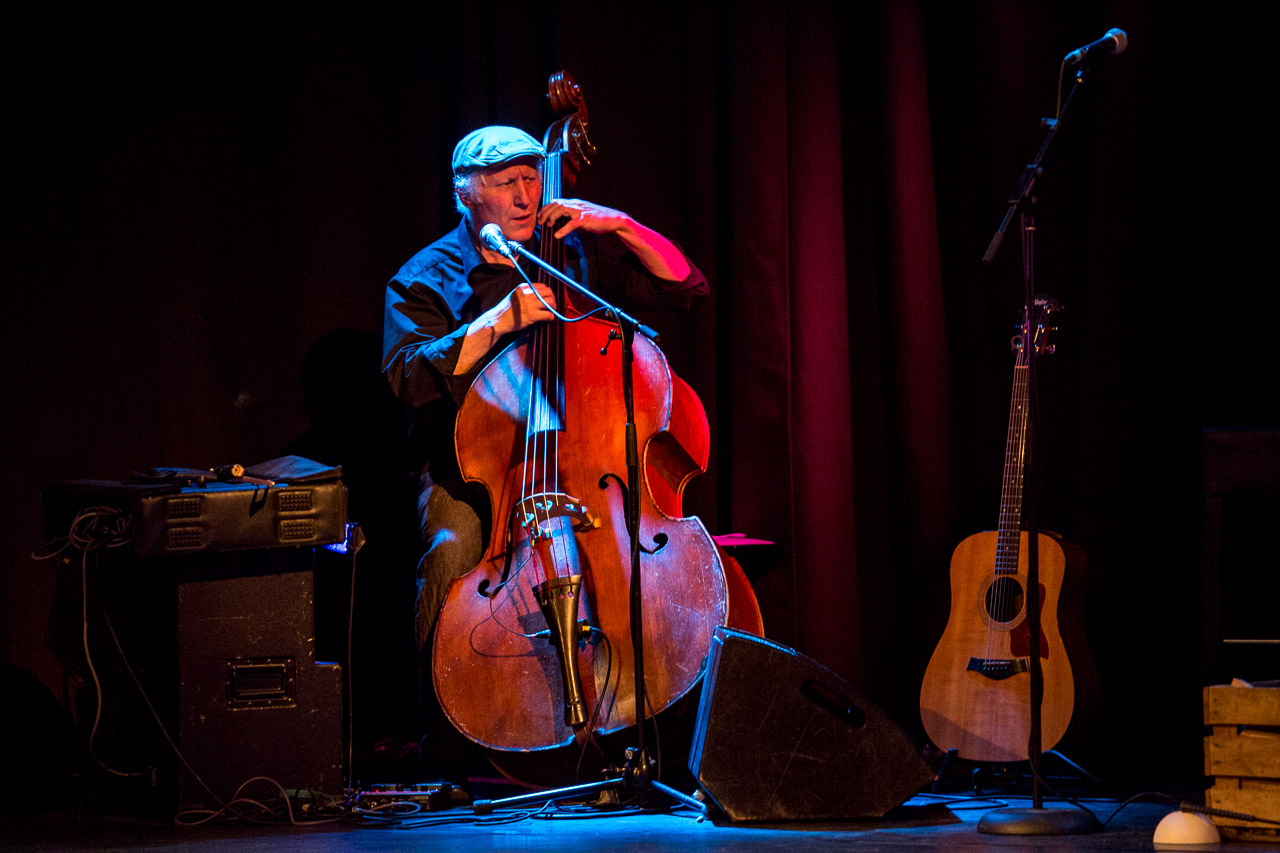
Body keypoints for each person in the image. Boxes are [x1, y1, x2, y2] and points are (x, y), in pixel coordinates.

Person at [381, 125, 707, 787]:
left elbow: (685, 288)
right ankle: (451, 746)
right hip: (476, 472)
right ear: (466, 194)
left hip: (586, 467)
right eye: (507, 183)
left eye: (532, 178)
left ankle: (643, 722)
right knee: (451, 552)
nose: (526, 195)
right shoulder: (422, 278)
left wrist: (620, 226)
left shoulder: (570, 252)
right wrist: (497, 321)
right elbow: (408, 377)